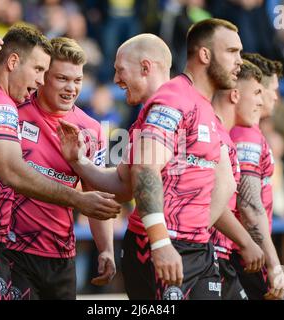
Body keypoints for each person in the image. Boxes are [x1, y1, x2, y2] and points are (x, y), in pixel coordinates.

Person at [58, 19, 264, 300]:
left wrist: (197, 232)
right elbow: (141, 171)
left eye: (120, 71)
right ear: (205, 55)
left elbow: (225, 185)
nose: (240, 61)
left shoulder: (197, 104)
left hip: (193, 248)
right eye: (232, 51)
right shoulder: (171, 100)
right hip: (162, 247)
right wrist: (162, 240)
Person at [0, 25, 120, 300]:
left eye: (77, 80)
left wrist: (106, 249)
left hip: (59, 255)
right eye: (58, 77)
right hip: (8, 250)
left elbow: (93, 192)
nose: (70, 87)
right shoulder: (9, 100)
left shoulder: (91, 130)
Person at [230, 52, 284, 300]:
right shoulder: (246, 135)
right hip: (247, 255)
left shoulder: (246, 131)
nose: (275, 96)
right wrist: (274, 264)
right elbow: (249, 205)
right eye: (270, 89)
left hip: (242, 251)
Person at [210, 59, 265, 300]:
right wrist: (250, 245)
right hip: (208, 254)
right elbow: (210, 202)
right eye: (258, 92)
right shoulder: (224, 136)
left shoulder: (225, 136)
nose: (262, 101)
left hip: (217, 253)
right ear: (235, 95)